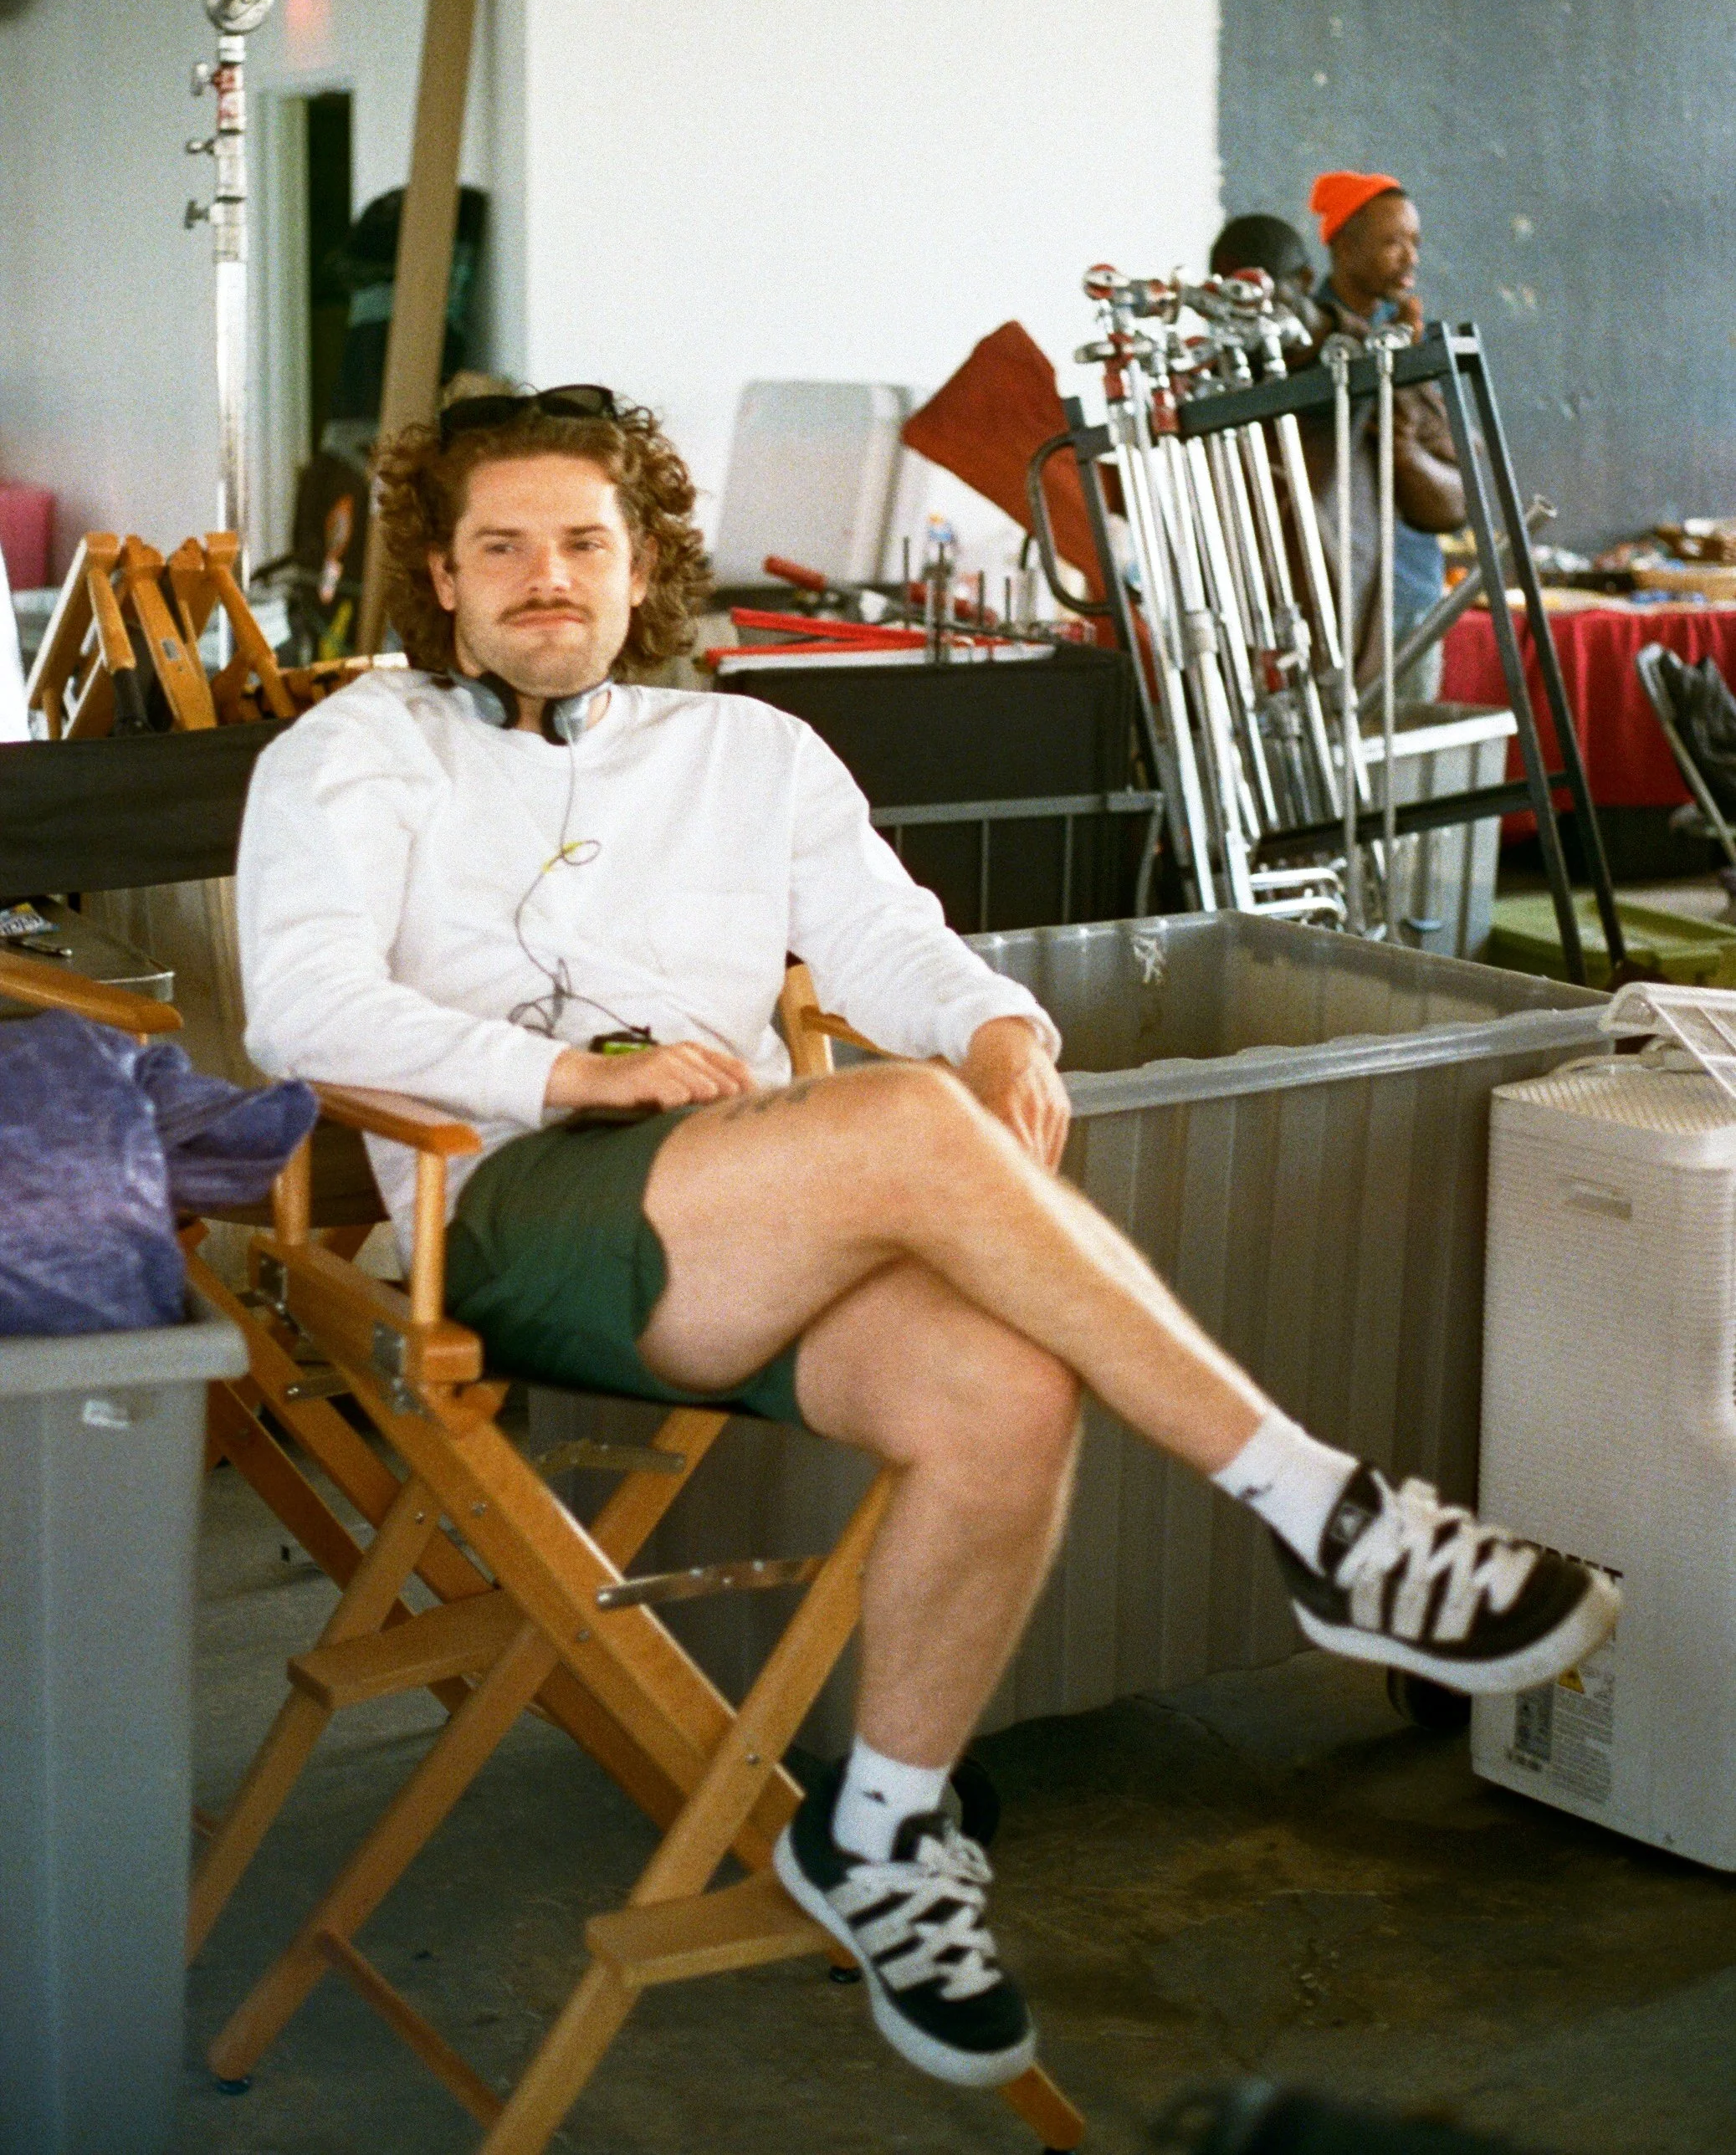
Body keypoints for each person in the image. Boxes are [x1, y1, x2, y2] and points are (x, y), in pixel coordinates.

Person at [235, 384, 1616, 2098]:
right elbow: (301, 1011)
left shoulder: (748, 752)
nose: (543, 577)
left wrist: (999, 1032)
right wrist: (565, 1072)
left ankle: (879, 1831)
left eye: (580, 539)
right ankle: (1323, 1510)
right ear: (437, 575)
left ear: (641, 557)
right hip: (499, 1211)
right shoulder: (357, 753)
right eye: (499, 545)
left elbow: (896, 941)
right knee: (893, 1124)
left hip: (741, 1210)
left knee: (1004, 1388)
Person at [1302, 171, 1466, 690]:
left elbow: (1456, 479)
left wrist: (1407, 449)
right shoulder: (1308, 336)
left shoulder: (1406, 337)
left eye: (1414, 242)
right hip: (1336, 608)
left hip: (1412, 596)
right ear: (1343, 245)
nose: (1410, 258)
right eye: (1393, 242)